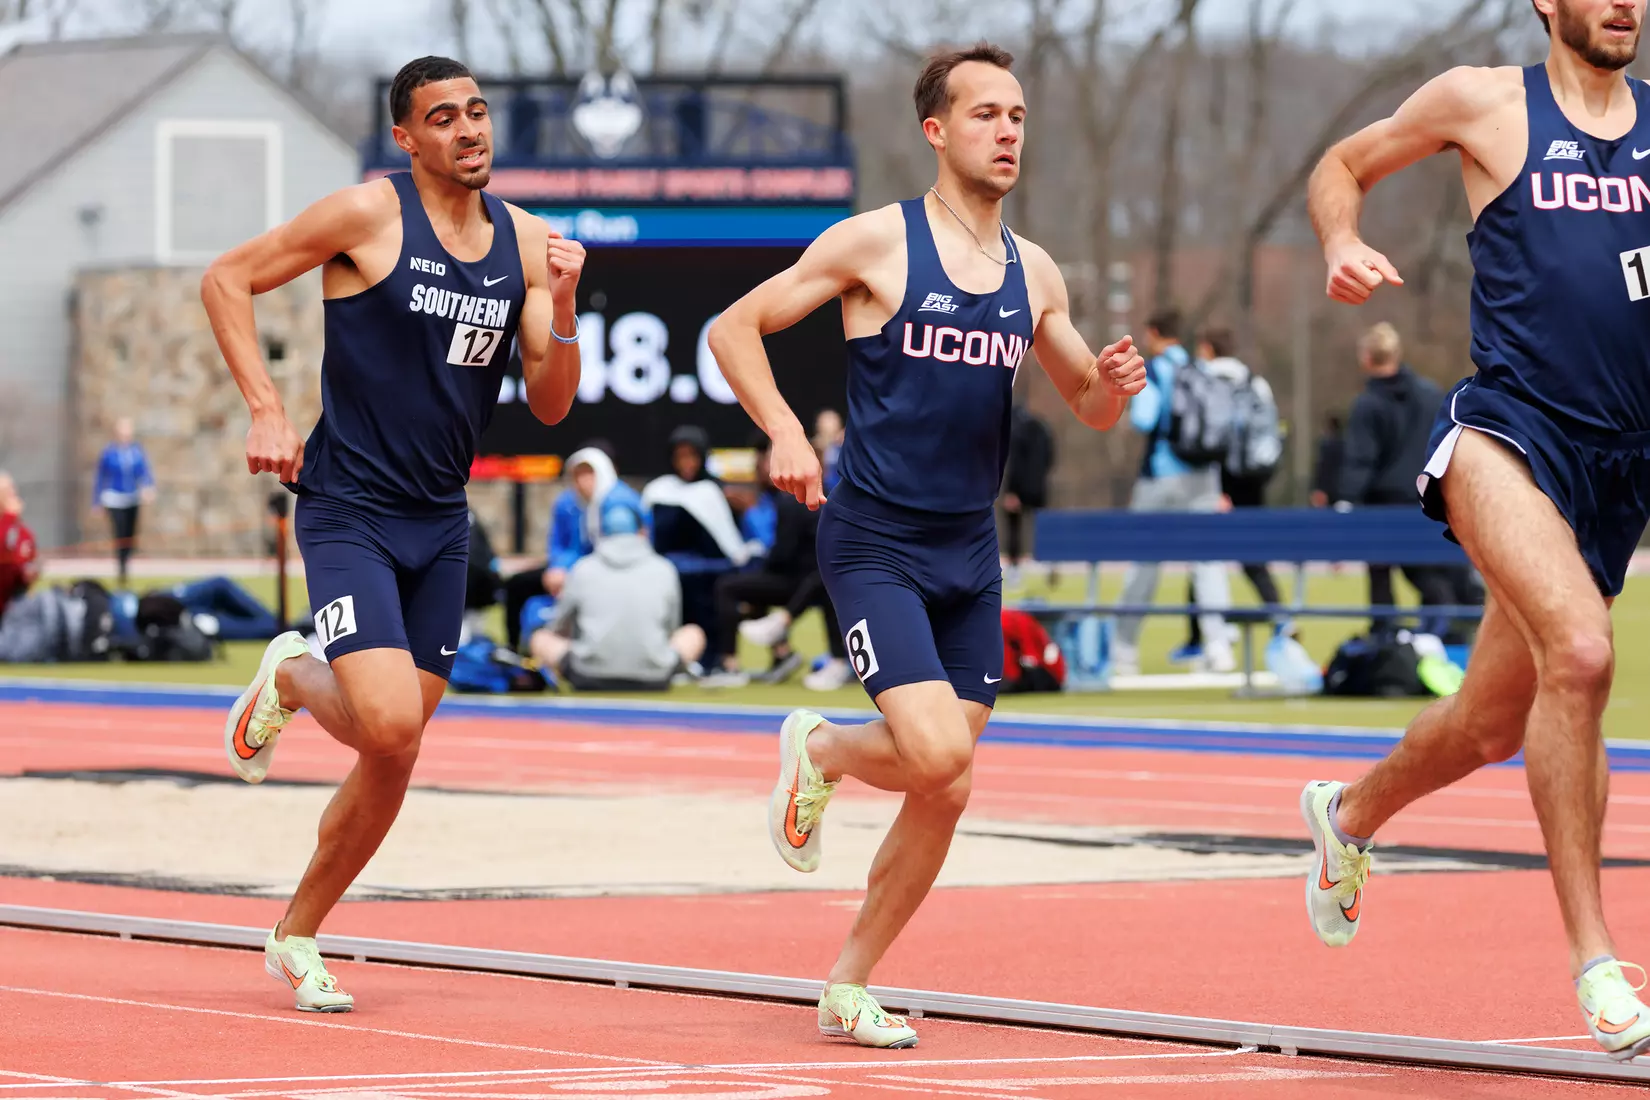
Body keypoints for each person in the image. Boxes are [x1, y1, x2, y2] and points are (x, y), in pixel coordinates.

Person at [707, 41, 1145, 1049]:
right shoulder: (877, 244)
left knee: (948, 778)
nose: (1008, 132)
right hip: (874, 541)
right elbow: (735, 327)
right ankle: (819, 747)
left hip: (967, 552)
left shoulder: (1033, 269)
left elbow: (1085, 402)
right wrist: (780, 427)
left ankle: (850, 979)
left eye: (1020, 117)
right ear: (937, 131)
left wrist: (1113, 386)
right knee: (937, 749)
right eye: (987, 114)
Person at [199, 55, 585, 1013]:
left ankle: (296, 934)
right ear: (407, 139)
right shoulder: (369, 217)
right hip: (348, 509)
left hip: (440, 523)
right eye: (443, 117)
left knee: (393, 753)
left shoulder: (528, 244)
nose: (468, 130)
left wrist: (567, 306)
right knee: (389, 721)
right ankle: (291, 672)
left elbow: (548, 404)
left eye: (478, 112)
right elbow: (226, 277)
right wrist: (266, 408)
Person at [1302, 0, 1650, 1058]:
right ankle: (1598, 958)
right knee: (1582, 653)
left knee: (1489, 725)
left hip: (1618, 468)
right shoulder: (1487, 101)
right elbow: (1341, 163)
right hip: (1508, 433)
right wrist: (1342, 239)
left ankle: (1348, 814)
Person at [1112, 308, 1234, 675]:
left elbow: (1143, 420)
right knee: (1207, 564)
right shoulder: (1201, 369)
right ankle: (1218, 647)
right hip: (1203, 480)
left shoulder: (1155, 369)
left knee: (1144, 566)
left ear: (1152, 333)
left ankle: (1124, 651)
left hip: (1161, 479)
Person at [1335, 322, 1462, 638]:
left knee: (1380, 571)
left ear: (1367, 358)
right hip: (1427, 495)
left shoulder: (1368, 404)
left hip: (1384, 501)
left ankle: (1384, 634)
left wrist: (1346, 498)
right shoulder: (1431, 394)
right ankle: (1442, 629)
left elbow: (1361, 458)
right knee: (1425, 569)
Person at [1179, 328, 1290, 656]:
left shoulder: (1206, 380)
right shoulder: (1253, 381)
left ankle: (1202, 636)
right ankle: (1280, 616)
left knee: (1203, 556)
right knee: (1252, 556)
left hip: (1216, 478)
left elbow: (1199, 436)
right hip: (1253, 481)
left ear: (1207, 348)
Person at [528, 495, 705, 689]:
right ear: (643, 532)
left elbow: (560, 625)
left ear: (602, 532)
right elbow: (671, 626)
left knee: (540, 638)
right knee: (693, 634)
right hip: (655, 674)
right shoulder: (664, 568)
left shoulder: (583, 567)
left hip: (586, 673)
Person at [717, 434, 849, 685]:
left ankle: (732, 663)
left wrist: (760, 567)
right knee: (758, 586)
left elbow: (784, 553)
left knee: (730, 587)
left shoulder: (793, 498)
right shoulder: (820, 493)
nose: (765, 464)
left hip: (810, 581)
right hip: (818, 579)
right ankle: (785, 650)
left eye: (769, 458)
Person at [502, 443, 637, 649]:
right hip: (573, 569)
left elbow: (622, 550)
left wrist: (576, 572)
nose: (583, 481)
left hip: (614, 572)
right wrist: (560, 568)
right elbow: (561, 544)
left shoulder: (621, 505)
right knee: (518, 584)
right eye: (578, 474)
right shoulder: (568, 503)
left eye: (589, 473)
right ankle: (513, 648)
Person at [642, 425, 753, 672]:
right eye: (680, 456)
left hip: (708, 574)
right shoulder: (658, 490)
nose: (686, 463)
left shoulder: (716, 491)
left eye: (692, 456)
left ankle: (713, 660)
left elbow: (729, 545)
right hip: (668, 571)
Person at [93, 417, 155, 586]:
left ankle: (126, 560)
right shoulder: (109, 453)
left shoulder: (136, 452)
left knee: (130, 534)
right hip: (114, 498)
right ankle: (121, 567)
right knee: (119, 533)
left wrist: (148, 487)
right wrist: (97, 501)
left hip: (132, 497)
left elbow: (144, 472)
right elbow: (100, 477)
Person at [1000, 400, 1055, 589]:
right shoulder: (1043, 428)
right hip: (1040, 486)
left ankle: (1015, 570)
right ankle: (1049, 564)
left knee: (1014, 528)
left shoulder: (1017, 430)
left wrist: (1011, 491)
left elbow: (1015, 463)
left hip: (1020, 489)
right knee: (1043, 526)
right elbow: (1050, 457)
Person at [0, 473, 38, 619]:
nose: (14, 497)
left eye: (13, 491)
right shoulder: (8, 523)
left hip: (15, 603)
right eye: (8, 493)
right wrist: (10, 518)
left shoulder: (20, 530)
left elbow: (28, 554)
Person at [1310, 412, 1347, 509]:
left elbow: (1322, 468)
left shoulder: (1326, 445)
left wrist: (1319, 488)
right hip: (1342, 488)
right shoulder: (1346, 445)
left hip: (1327, 488)